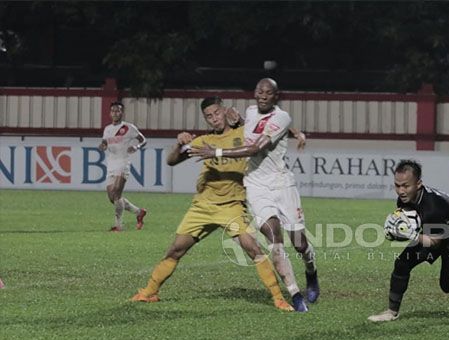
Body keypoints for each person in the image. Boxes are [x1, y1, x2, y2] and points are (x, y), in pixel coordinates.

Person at [129, 96, 295, 312]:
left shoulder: (241, 134)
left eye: (217, 113)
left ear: (225, 111)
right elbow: (171, 161)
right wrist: (179, 143)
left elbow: (261, 137)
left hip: (232, 206)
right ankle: (149, 292)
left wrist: (243, 120)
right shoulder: (203, 141)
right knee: (175, 251)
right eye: (209, 116)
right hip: (203, 207)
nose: (214, 119)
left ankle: (278, 297)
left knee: (253, 248)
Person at [191, 78, 319, 312]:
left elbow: (254, 148)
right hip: (256, 187)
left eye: (267, 92)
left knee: (299, 243)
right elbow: (252, 126)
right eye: (259, 91)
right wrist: (240, 121)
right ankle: (295, 294)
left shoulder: (281, 117)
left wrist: (215, 151)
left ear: (275, 96)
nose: (262, 95)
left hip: (282, 185)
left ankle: (311, 270)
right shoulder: (249, 112)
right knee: (274, 238)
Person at [368, 159, 449, 322]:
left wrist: (408, 234)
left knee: (447, 284)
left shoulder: (433, 206)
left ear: (418, 184)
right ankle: (391, 312)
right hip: (438, 232)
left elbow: (433, 242)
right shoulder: (404, 199)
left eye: (405, 186)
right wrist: (395, 232)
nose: (401, 190)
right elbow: (412, 228)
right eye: (397, 185)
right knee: (402, 263)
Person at [99, 101, 147, 232]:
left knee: (116, 195)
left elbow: (144, 140)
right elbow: (104, 143)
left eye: (118, 110)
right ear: (110, 113)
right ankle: (139, 212)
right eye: (113, 111)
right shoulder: (107, 129)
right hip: (111, 164)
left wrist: (136, 146)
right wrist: (102, 146)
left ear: (122, 113)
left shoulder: (128, 127)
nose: (115, 113)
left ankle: (118, 225)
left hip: (123, 163)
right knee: (112, 198)